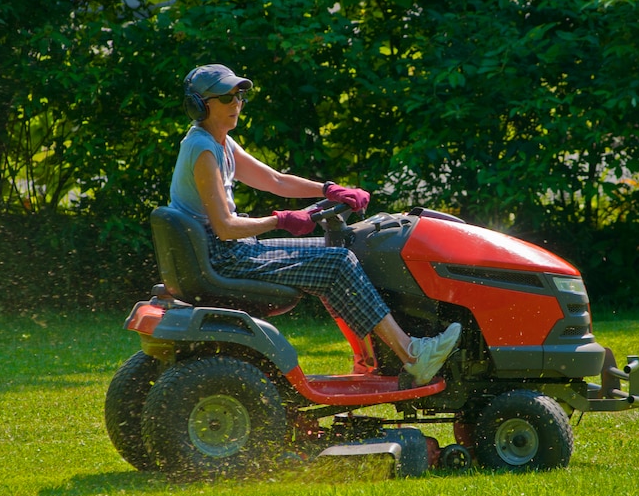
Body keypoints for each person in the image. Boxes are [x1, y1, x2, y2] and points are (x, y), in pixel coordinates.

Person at [168, 63, 460, 385]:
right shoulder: (203, 149)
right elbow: (225, 227)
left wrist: (328, 189)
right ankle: (412, 355)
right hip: (224, 256)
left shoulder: (220, 142)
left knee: (336, 248)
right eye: (227, 98)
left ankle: (369, 360)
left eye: (240, 96)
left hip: (229, 251)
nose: (236, 104)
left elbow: (275, 180)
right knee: (337, 263)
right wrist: (281, 220)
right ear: (200, 105)